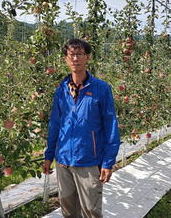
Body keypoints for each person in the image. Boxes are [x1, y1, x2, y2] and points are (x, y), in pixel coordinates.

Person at [42, 38, 120, 218]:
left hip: (88, 162)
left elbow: (110, 126)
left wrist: (108, 162)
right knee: (69, 212)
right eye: (71, 55)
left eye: (79, 54)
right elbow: (55, 124)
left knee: (91, 212)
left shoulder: (101, 89)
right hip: (63, 162)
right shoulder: (61, 90)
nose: (75, 58)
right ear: (66, 59)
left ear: (87, 57)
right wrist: (49, 155)